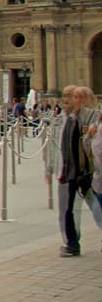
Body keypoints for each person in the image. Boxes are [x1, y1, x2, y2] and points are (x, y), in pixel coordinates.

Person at [45, 85, 101, 257]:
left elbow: (91, 144)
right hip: (69, 171)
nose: (67, 99)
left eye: (73, 96)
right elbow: (54, 145)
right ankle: (71, 243)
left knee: (97, 207)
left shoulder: (92, 116)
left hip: (88, 171)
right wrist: (50, 168)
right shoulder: (64, 118)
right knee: (68, 209)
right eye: (66, 95)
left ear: (83, 99)